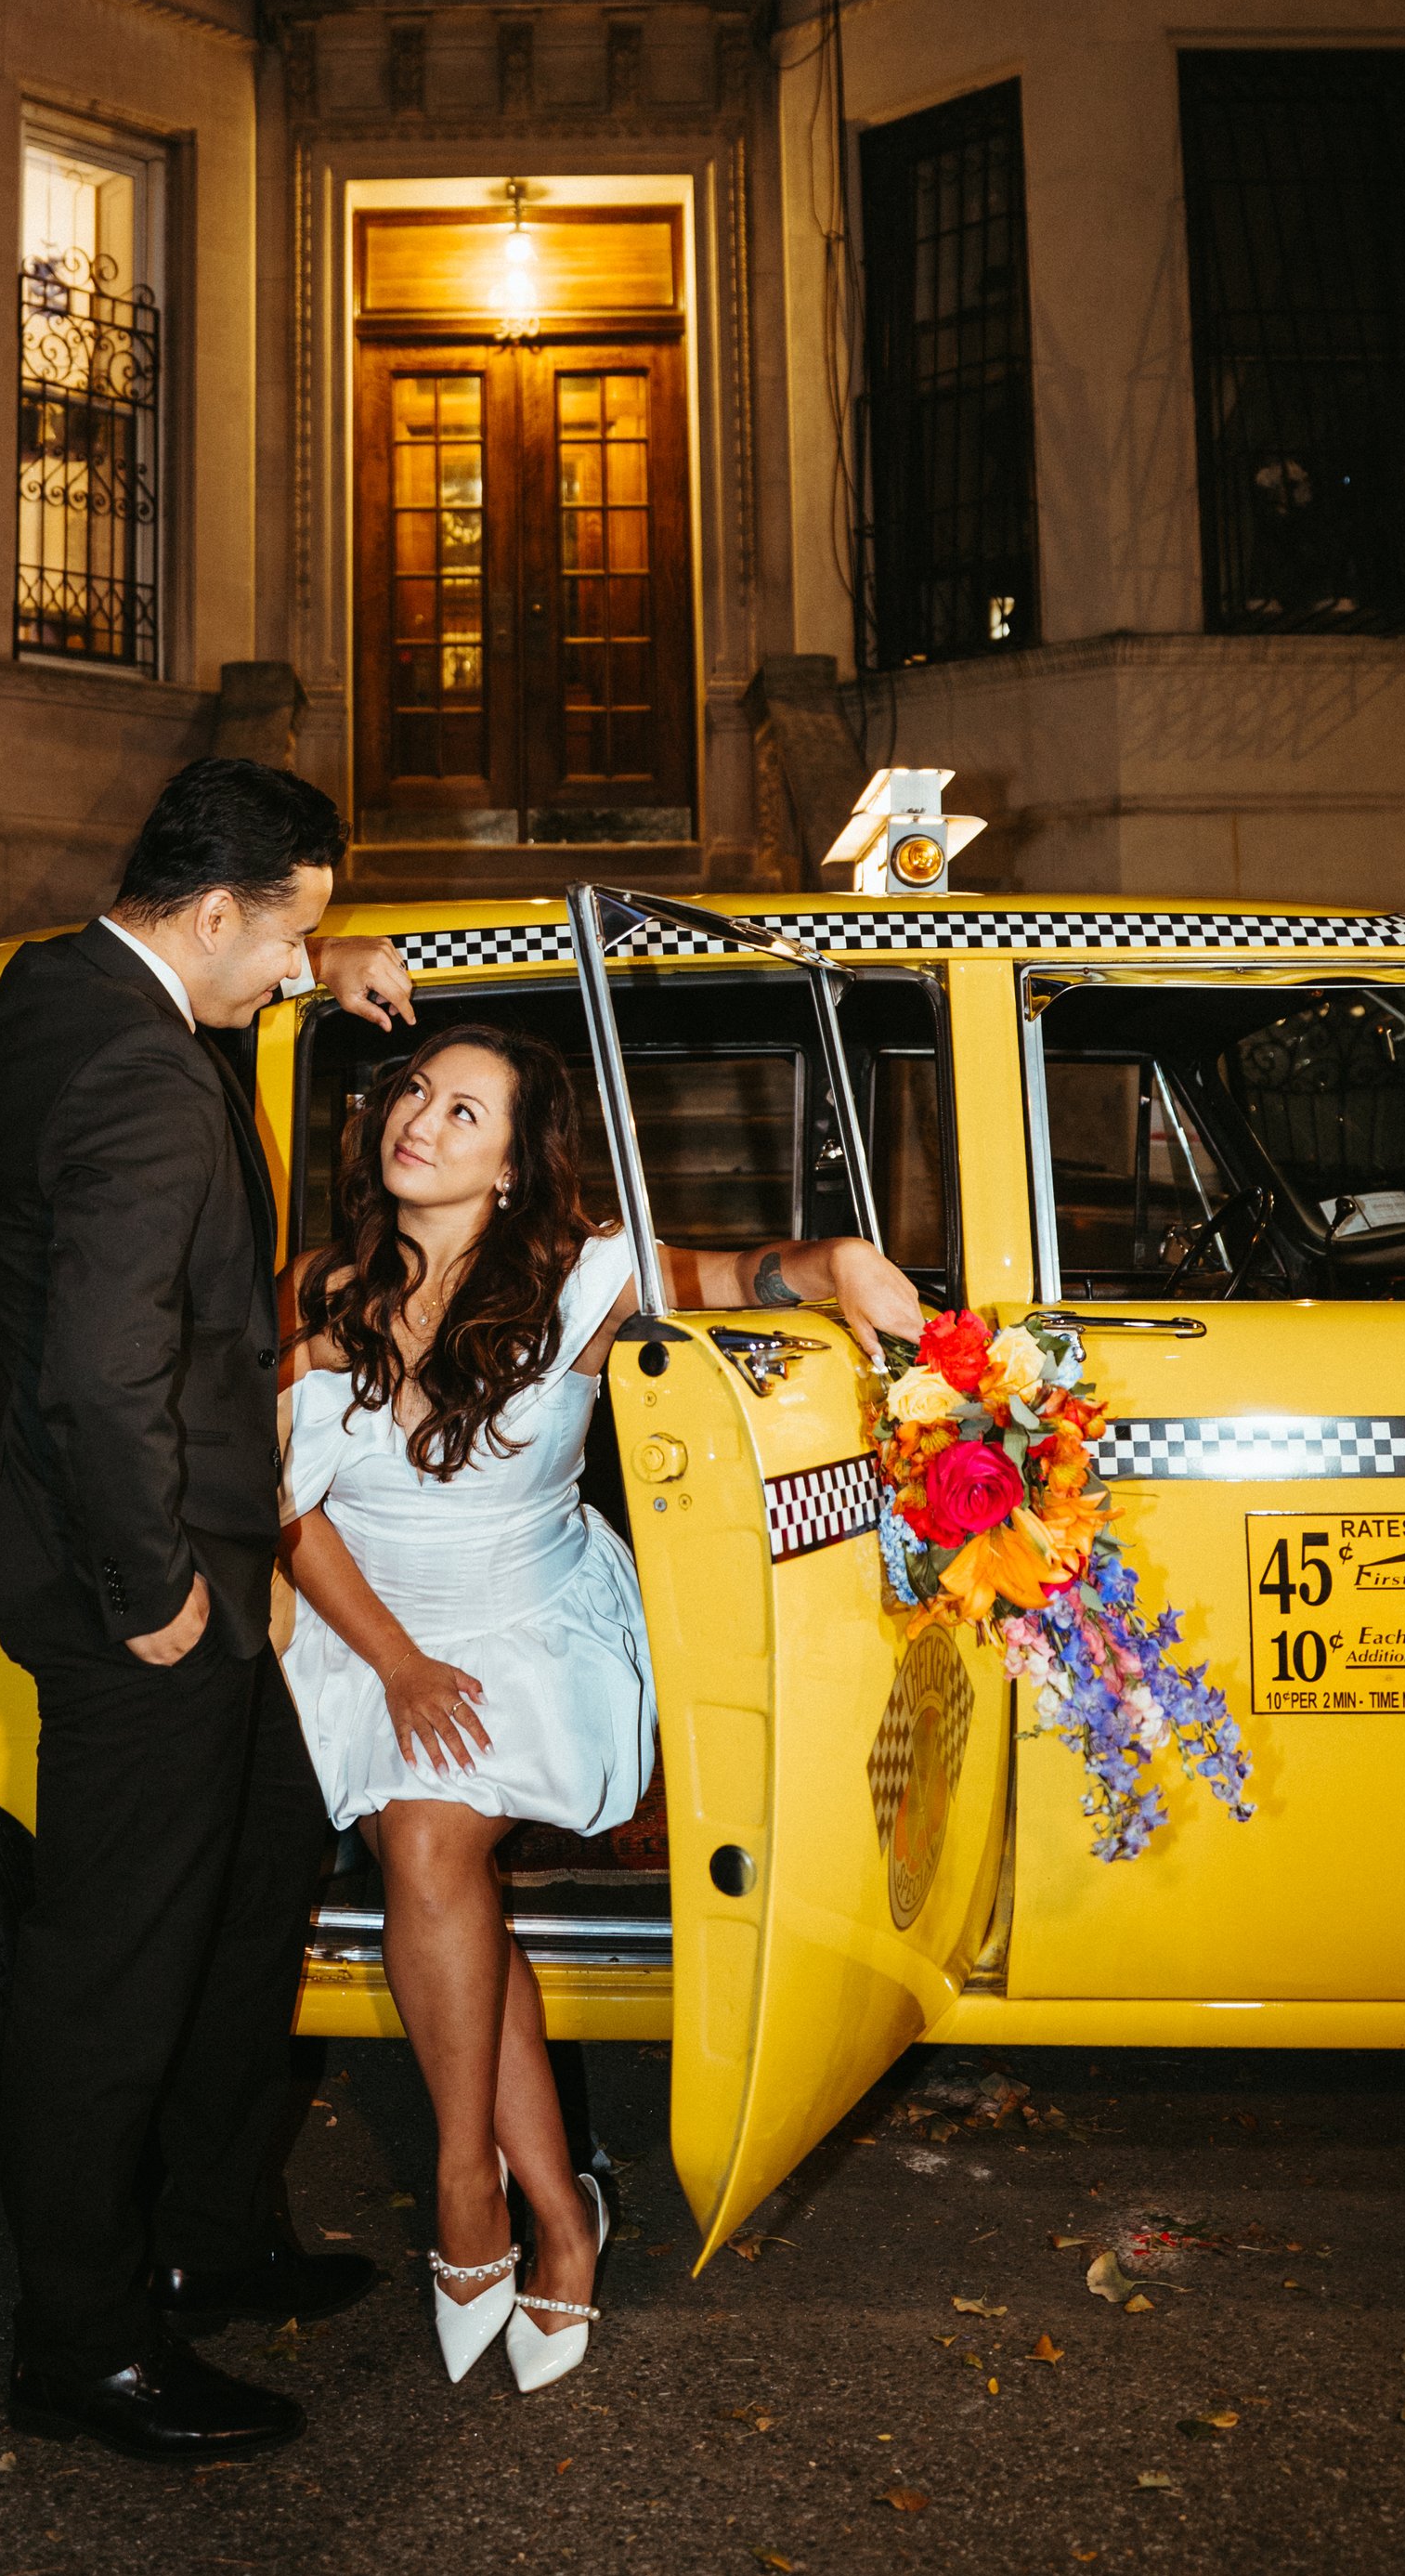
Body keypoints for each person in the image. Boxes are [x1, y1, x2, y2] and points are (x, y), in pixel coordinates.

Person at [279, 1022, 924, 2397]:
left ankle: (469, 2189)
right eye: (414, 1094)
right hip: (367, 1631)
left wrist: (837, 1264)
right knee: (446, 1882)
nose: (420, 1122)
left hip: (531, 1621)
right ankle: (554, 2207)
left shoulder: (583, 1277)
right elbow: (284, 1506)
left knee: (429, 1851)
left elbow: (742, 1277)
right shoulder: (321, 1287)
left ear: (517, 1164)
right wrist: (394, 1664)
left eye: (466, 1112)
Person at [0, 756, 418, 2465]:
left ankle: (209, 2238)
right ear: (215, 910)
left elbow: (221, 970)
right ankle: (82, 2344)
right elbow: (100, 1372)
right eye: (286, 936)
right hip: (138, 1592)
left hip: (190, 1576)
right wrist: (154, 1586)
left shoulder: (62, 984)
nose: (296, 966)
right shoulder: (145, 1078)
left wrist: (324, 958)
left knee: (246, 1888)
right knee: (114, 1968)